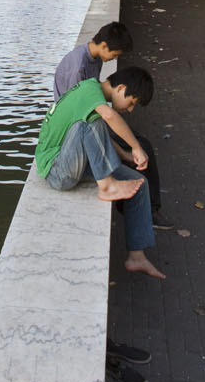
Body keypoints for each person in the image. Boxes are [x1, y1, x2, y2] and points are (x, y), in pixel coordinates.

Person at [35, 66, 165, 279]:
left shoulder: (94, 96)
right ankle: (107, 186)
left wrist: (125, 154)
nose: (130, 109)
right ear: (121, 88)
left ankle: (137, 257)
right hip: (57, 170)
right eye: (131, 103)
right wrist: (136, 146)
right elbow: (106, 119)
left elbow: (101, 131)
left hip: (76, 161)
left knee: (140, 182)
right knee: (91, 121)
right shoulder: (90, 91)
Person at [54, 22, 172, 230]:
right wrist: (130, 148)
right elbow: (81, 113)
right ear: (105, 46)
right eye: (115, 55)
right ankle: (142, 208)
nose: (114, 60)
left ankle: (144, 206)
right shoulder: (78, 68)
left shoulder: (94, 59)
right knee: (135, 146)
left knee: (138, 145)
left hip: (90, 115)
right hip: (77, 126)